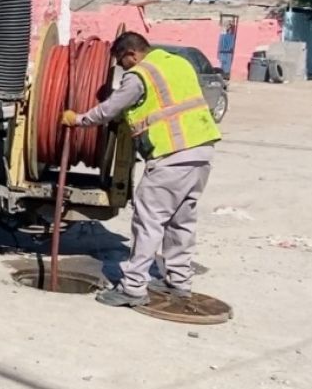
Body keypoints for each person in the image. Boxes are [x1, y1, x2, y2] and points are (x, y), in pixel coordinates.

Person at [62, 32, 221, 307]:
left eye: (123, 63)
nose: (124, 69)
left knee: (149, 221)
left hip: (171, 153)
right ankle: (178, 281)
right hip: (202, 150)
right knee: (182, 220)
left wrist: (78, 119)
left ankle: (133, 287)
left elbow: (110, 109)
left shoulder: (140, 75)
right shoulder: (179, 63)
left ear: (131, 54)